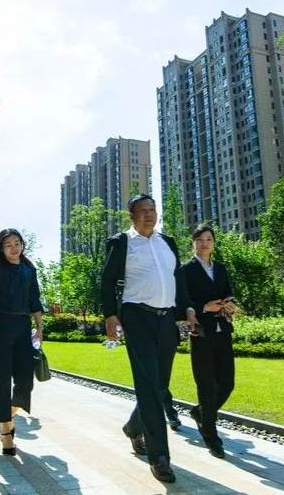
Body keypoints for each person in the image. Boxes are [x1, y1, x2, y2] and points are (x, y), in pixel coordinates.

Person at [100, 194, 198, 483]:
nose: (149, 214)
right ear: (131, 216)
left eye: (152, 209)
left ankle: (133, 427)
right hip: (137, 317)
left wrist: (187, 308)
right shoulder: (122, 242)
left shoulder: (167, 242)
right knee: (148, 385)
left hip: (166, 320)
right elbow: (106, 280)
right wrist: (110, 315)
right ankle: (160, 457)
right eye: (142, 210)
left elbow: (178, 279)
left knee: (159, 385)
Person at [0, 228, 44, 456]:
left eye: (17, 243)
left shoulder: (29, 268)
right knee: (0, 380)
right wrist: (0, 326)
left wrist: (39, 326)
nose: (14, 248)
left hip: (23, 326)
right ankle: (6, 433)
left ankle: (7, 414)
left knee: (25, 380)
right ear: (1, 248)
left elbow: (35, 299)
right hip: (0, 325)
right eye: (8, 244)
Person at [181, 223, 237, 459]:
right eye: (200, 240)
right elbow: (183, 302)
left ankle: (201, 413)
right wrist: (204, 307)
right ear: (193, 243)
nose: (204, 244)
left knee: (227, 383)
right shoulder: (185, 270)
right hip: (201, 332)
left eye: (209, 240)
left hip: (222, 331)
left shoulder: (221, 269)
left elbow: (228, 292)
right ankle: (211, 435)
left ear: (213, 243)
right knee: (206, 385)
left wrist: (229, 304)